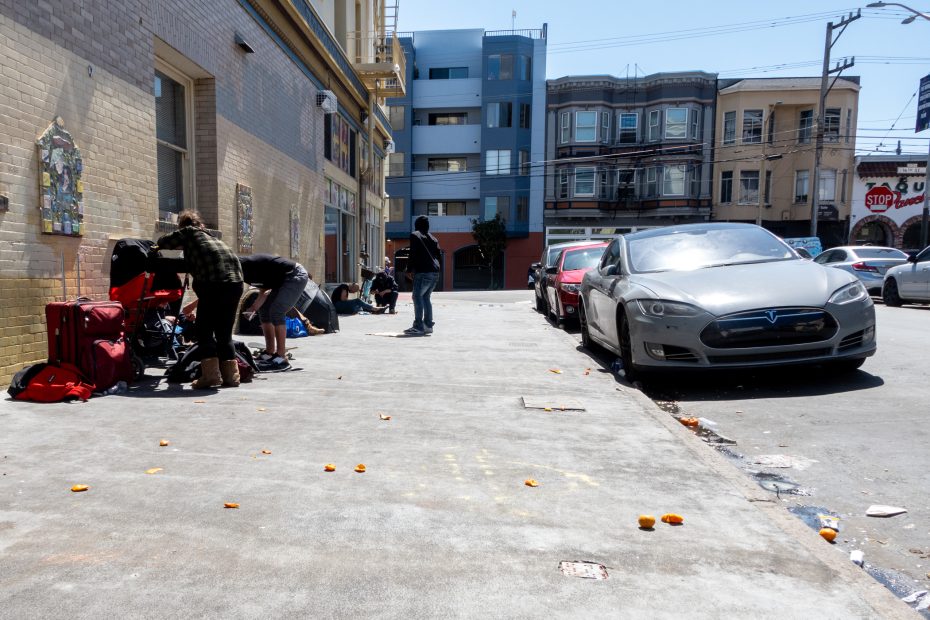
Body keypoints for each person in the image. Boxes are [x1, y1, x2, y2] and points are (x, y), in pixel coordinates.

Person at [156, 210, 244, 389]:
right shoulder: (212, 237)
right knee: (224, 333)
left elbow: (163, 242)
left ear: (183, 225)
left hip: (214, 284)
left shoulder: (189, 232)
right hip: (235, 283)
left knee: (204, 331)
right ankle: (232, 377)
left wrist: (180, 243)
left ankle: (211, 376)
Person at [239, 254, 310, 372]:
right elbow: (264, 290)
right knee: (264, 310)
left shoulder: (250, 267)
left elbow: (266, 289)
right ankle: (269, 352)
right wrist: (253, 308)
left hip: (295, 275)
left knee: (277, 311)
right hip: (281, 280)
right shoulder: (244, 272)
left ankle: (282, 356)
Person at [405, 215, 440, 335]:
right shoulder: (434, 239)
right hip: (435, 273)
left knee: (417, 297)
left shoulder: (415, 235)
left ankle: (419, 326)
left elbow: (412, 254)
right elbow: (438, 256)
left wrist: (409, 269)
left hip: (423, 272)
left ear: (417, 224)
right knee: (426, 297)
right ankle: (428, 325)